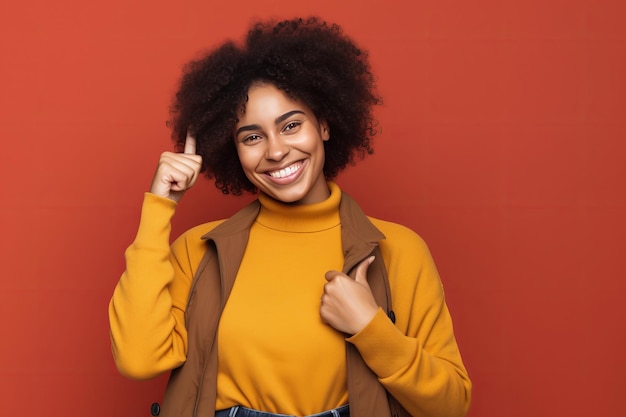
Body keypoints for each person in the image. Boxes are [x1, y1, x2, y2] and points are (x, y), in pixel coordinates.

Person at [109, 17, 471, 417]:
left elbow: (451, 405)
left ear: (325, 126)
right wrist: (160, 206)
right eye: (252, 137)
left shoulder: (399, 250)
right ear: (233, 151)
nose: (276, 151)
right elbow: (138, 359)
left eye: (291, 126)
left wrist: (371, 329)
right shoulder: (199, 250)